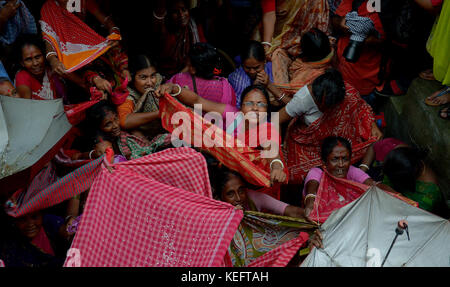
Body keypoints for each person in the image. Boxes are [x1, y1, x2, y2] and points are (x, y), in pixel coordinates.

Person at [156, 83, 287, 185]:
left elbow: (272, 150)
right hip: (228, 174)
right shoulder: (233, 115)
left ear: (266, 110)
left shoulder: (268, 129)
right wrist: (174, 88)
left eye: (261, 104)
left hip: (257, 183)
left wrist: (276, 167)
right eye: (249, 103)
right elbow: (198, 101)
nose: (255, 108)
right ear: (241, 107)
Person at [283, 69, 382, 184]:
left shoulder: (348, 93)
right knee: (293, 176)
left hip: (343, 142)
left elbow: (361, 108)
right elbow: (276, 119)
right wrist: (274, 157)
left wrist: (372, 124)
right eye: (319, 104)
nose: (322, 108)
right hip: (308, 146)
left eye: (327, 106)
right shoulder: (303, 99)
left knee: (375, 140)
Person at [303, 136, 394, 217]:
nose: (341, 164)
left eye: (345, 159)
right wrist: (310, 203)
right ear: (324, 161)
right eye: (335, 159)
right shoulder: (317, 172)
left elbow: (373, 185)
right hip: (322, 220)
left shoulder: (352, 171)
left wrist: (397, 196)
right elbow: (312, 190)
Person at [332, 0, 385, 105]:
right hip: (341, 71)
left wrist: (370, 40)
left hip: (364, 81)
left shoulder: (387, 7)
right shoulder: (355, 1)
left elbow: (395, 42)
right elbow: (335, 19)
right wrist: (341, 23)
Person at [210, 164, 305, 219]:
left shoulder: (253, 197)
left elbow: (290, 211)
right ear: (219, 197)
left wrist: (313, 216)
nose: (238, 198)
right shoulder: (214, 212)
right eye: (230, 194)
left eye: (241, 191)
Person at [86, 100, 171, 161]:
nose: (115, 125)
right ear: (99, 127)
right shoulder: (101, 145)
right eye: (108, 124)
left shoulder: (128, 133)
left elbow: (147, 146)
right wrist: (93, 154)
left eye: (116, 119)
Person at [168, 42, 236, 106]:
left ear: (192, 69)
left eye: (188, 64)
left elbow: (166, 94)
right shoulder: (226, 88)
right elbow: (230, 111)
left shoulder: (179, 79)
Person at [271, 28, 334, 97]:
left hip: (291, 98)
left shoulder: (307, 76)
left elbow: (289, 95)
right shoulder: (329, 49)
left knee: (278, 54)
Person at [383, 147, 445, 215]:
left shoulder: (429, 191)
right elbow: (386, 181)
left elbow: (416, 213)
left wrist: (395, 195)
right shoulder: (399, 160)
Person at [152, 0, 206, 78]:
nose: (181, 15)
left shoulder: (194, 27)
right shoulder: (165, 33)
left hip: (193, 72)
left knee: (216, 72)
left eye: (184, 10)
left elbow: (203, 52)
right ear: (169, 15)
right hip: (168, 78)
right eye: (175, 12)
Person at [117, 54, 166, 138]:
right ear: (132, 77)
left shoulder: (159, 81)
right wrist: (159, 113)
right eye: (143, 78)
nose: (149, 83)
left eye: (152, 76)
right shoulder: (128, 94)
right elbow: (124, 121)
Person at [0, 210, 70, 267]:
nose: (30, 224)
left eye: (34, 217)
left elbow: (67, 230)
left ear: (42, 216)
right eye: (22, 219)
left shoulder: (49, 222)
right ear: (15, 221)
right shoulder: (11, 248)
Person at [228, 40, 286, 108]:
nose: (252, 71)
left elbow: (286, 100)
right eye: (247, 67)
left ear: (264, 61)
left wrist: (269, 85)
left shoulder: (273, 68)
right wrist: (254, 89)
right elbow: (239, 108)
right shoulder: (239, 79)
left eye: (256, 67)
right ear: (242, 64)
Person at [14, 35, 66, 101]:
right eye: (28, 59)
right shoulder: (22, 77)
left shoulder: (51, 69)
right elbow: (27, 106)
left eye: (37, 57)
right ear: (22, 63)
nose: (35, 63)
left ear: (44, 55)